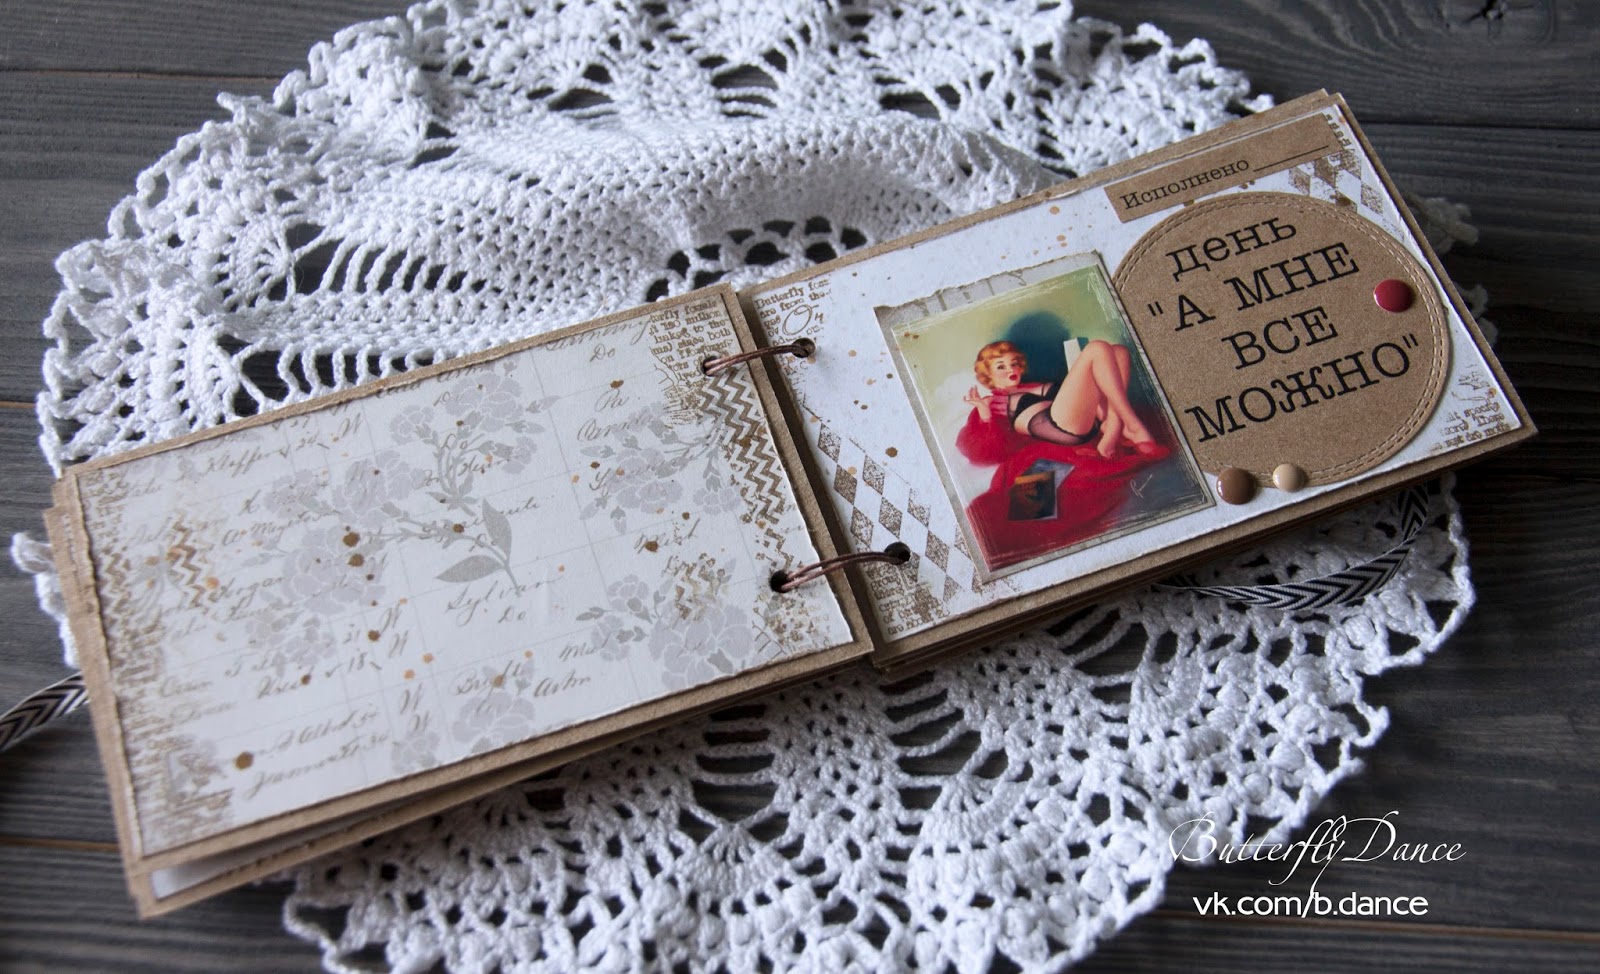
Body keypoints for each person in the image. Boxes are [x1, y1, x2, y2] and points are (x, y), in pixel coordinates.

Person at [962, 339, 1158, 458]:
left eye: (1013, 363)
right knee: (1097, 348)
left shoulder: (1031, 385)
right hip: (1058, 427)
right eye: (1001, 366)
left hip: (1087, 419)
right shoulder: (991, 403)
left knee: (1119, 351)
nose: (1011, 369)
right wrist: (985, 414)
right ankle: (1131, 425)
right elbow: (987, 450)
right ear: (988, 374)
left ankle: (1112, 424)